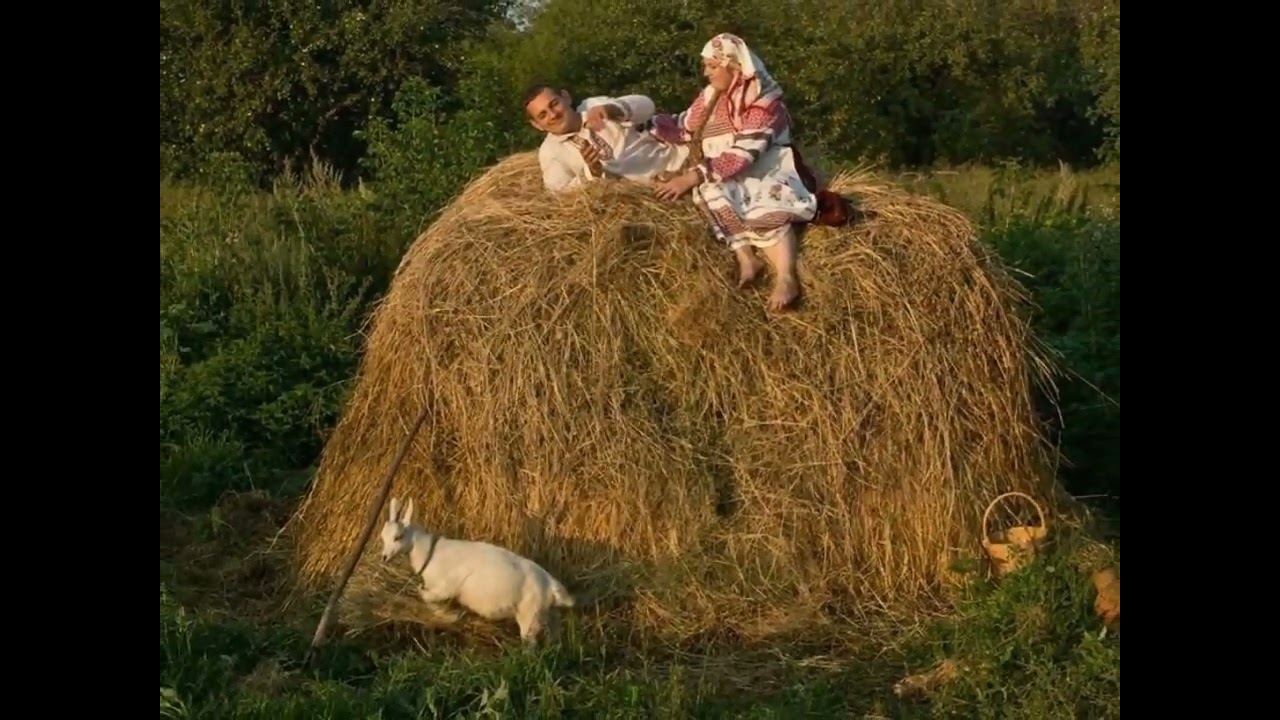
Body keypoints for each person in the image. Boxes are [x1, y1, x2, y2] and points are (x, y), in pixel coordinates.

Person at [648, 33, 818, 312]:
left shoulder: (765, 100)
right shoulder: (711, 96)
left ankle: (787, 277)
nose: (706, 72)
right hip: (726, 171)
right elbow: (685, 126)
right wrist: (643, 125)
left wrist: (692, 175)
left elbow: (745, 152)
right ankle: (746, 257)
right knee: (708, 190)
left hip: (767, 167)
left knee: (764, 205)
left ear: (734, 66)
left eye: (712, 66)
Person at [523, 83, 691, 193]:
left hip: (681, 162)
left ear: (566, 97)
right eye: (542, 115)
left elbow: (647, 105)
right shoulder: (550, 152)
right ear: (537, 125)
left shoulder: (592, 105)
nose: (553, 115)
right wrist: (592, 173)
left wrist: (613, 110)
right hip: (650, 195)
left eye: (554, 104)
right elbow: (559, 193)